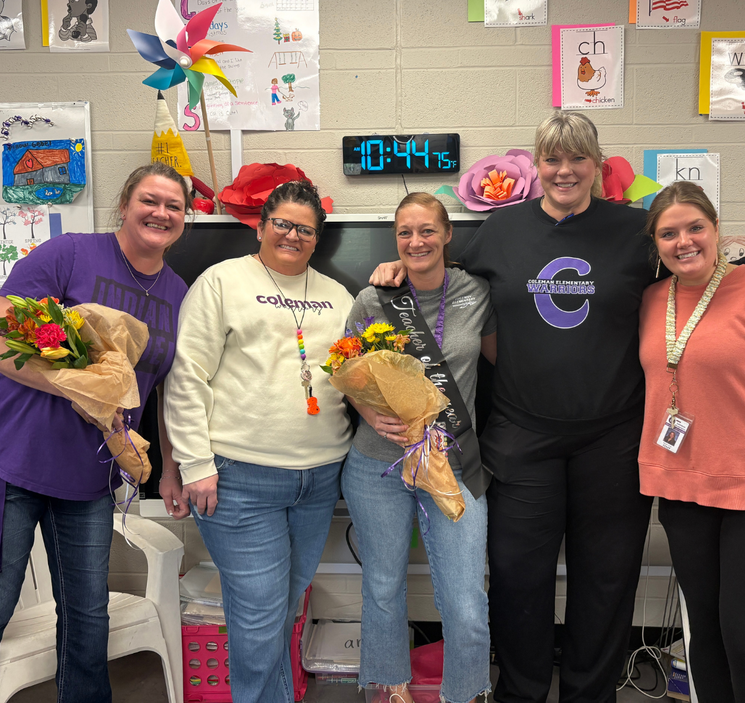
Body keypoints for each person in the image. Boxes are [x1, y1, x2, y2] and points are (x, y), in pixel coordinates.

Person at [370, 112, 745, 703]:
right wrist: (398, 272)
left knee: (607, 581)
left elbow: (696, 256)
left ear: (596, 166)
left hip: (613, 440)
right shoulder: (497, 232)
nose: (564, 170)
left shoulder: (634, 230)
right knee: (519, 581)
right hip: (521, 437)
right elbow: (446, 283)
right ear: (537, 166)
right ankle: (521, 693)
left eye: (578, 159)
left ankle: (590, 695)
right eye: (552, 159)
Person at [0, 161, 191, 703]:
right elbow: (2, 337)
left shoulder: (178, 293)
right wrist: (79, 390)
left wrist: (171, 469)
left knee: (87, 613)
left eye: (173, 206)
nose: (160, 212)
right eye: (150, 200)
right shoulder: (70, 254)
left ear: (184, 220)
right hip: (18, 458)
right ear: (125, 204)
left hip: (90, 475)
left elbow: (164, 391)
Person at [164, 180, 354, 703]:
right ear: (261, 225)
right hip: (239, 478)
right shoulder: (222, 281)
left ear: (318, 237)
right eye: (283, 224)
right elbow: (186, 377)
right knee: (259, 618)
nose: (293, 235)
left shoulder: (338, 296)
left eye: (305, 229)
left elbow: (353, 376)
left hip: (319, 480)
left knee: (281, 610)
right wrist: (194, 463)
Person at [639, 181, 745, 703]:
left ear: (716, 230)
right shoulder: (649, 299)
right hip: (686, 493)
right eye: (669, 233)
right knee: (703, 638)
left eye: (695, 228)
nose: (683, 241)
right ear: (655, 243)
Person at [341, 192, 497, 703]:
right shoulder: (372, 298)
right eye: (405, 232)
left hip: (453, 464)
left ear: (448, 234)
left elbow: (502, 362)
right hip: (376, 466)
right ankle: (388, 693)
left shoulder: (477, 293)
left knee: (467, 601)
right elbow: (345, 372)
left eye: (427, 230)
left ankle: (466, 693)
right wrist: (370, 411)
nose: (416, 241)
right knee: (383, 589)